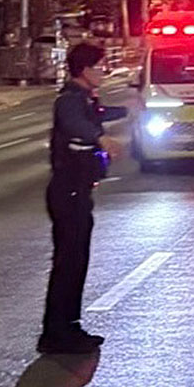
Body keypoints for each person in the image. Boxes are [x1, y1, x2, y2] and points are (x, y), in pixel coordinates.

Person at [38, 43, 124, 355]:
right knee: (69, 263)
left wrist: (131, 109)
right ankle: (57, 333)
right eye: (100, 66)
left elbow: (97, 115)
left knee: (76, 262)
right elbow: (75, 123)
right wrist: (100, 137)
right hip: (68, 189)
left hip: (78, 189)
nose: (103, 71)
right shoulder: (69, 100)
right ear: (85, 70)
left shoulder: (84, 99)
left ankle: (68, 327)